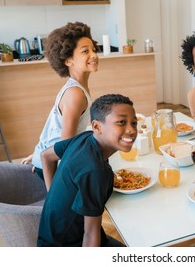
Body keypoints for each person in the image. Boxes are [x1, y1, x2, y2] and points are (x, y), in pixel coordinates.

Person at [37, 94, 137, 247]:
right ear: (97, 127)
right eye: (121, 122)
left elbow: (46, 156)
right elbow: (90, 234)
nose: (131, 130)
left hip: (50, 237)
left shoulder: (84, 138)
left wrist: (52, 195)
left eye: (134, 123)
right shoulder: (97, 172)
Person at [21, 21, 98, 180]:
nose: (94, 55)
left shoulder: (76, 88)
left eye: (93, 50)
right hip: (52, 166)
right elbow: (66, 146)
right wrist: (57, 187)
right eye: (85, 51)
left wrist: (37, 153)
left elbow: (53, 127)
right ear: (68, 61)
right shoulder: (75, 94)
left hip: (48, 157)